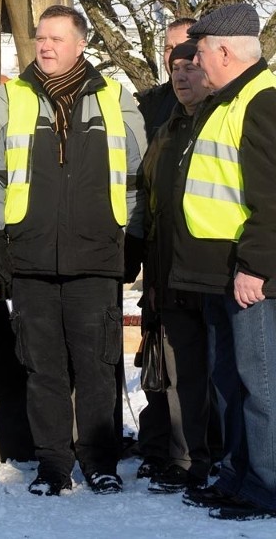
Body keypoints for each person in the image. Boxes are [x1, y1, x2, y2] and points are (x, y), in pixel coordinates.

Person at [0, 5, 146, 496]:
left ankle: (100, 460)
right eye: (40, 36)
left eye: (56, 38)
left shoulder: (116, 97)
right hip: (30, 257)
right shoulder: (9, 97)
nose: (45, 45)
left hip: (96, 257)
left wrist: (135, 237)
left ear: (80, 44)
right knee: (41, 367)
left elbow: (136, 179)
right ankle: (52, 464)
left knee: (97, 367)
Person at [169, 3, 276, 521]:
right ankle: (236, 478)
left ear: (227, 51)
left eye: (203, 52)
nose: (196, 62)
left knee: (261, 387)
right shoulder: (224, 101)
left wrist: (256, 266)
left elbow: (272, 196)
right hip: (218, 274)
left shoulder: (261, 100)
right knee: (230, 384)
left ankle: (266, 488)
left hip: (249, 278)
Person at [138, 40, 212, 493]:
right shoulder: (165, 132)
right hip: (168, 274)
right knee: (177, 375)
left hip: (219, 273)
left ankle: (224, 459)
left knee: (226, 375)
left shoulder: (220, 123)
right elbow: (149, 205)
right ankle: (187, 461)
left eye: (190, 66)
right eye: (175, 68)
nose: (181, 75)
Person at [135, 17, 197, 140]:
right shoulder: (151, 104)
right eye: (169, 48)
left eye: (181, 47)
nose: (174, 54)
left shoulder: (216, 101)